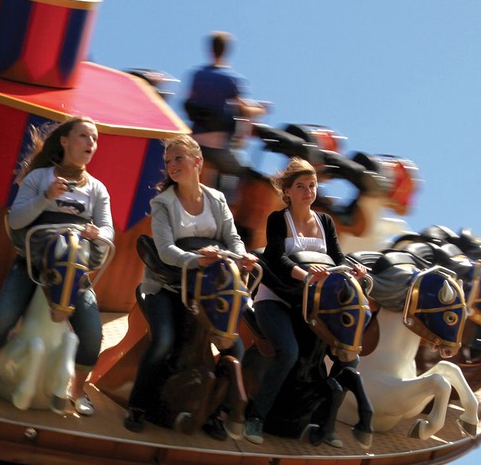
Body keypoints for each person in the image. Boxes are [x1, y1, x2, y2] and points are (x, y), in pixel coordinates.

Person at [0, 116, 113, 416]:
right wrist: (45, 198)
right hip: (34, 262)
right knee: (4, 314)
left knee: (92, 331)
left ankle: (77, 390)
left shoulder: (97, 189)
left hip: (74, 268)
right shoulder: (40, 177)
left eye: (94, 139)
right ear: (65, 141)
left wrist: (98, 234)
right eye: (84, 136)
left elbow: (108, 230)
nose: (91, 143)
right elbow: (16, 220)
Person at [123, 135, 257, 435]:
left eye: (178, 158)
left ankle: (215, 414)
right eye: (168, 161)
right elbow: (167, 250)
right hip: (168, 286)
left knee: (234, 346)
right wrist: (198, 259)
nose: (171, 165)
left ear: (198, 162)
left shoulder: (217, 199)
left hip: (209, 287)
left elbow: (232, 238)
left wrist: (239, 256)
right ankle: (138, 405)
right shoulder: (162, 203)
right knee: (164, 342)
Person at [243, 157, 367, 444]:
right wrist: (306, 275)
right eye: (301, 186)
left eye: (312, 186)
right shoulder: (278, 219)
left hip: (311, 303)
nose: (308, 191)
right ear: (287, 191)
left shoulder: (325, 221)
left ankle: (324, 423)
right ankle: (255, 417)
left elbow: (337, 258)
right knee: (288, 351)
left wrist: (353, 269)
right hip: (275, 299)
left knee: (349, 354)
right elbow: (277, 257)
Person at [184, 31, 268, 190]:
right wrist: (260, 110)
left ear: (210, 49)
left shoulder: (196, 75)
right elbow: (243, 109)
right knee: (243, 172)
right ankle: (224, 211)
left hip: (193, 140)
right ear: (227, 50)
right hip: (217, 147)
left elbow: (190, 101)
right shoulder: (231, 79)